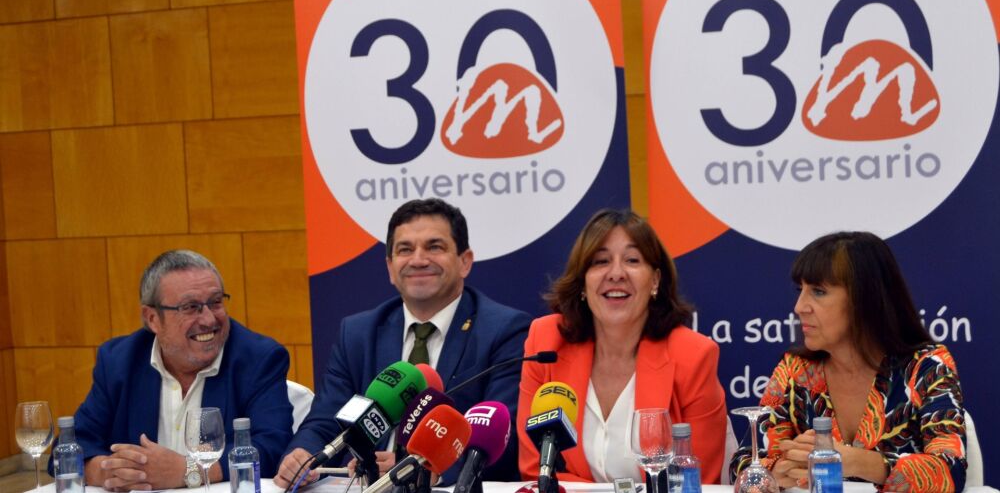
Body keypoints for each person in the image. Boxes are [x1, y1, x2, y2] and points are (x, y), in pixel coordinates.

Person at [275, 198, 532, 488]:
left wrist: (424, 468)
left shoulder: (503, 330)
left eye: (434, 247)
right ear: (390, 266)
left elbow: (501, 435)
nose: (418, 259)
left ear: (464, 262)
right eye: (405, 249)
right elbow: (325, 422)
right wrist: (303, 456)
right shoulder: (358, 333)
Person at [730, 232, 966, 492]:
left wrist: (854, 461)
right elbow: (743, 461)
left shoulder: (927, 367)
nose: (799, 306)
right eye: (801, 290)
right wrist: (777, 471)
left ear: (865, 299)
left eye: (818, 292)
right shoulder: (794, 369)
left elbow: (950, 469)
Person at [518, 209, 728, 484]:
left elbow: (693, 481)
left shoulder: (694, 355)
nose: (616, 273)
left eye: (632, 260)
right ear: (582, 282)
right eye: (600, 261)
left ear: (655, 280)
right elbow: (537, 471)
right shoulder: (546, 341)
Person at [69, 249, 293, 491]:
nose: (208, 319)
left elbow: (274, 446)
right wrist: (109, 471)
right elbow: (74, 445)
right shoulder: (119, 361)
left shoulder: (258, 359)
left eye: (216, 302)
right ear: (152, 318)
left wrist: (189, 471)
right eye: (191, 307)